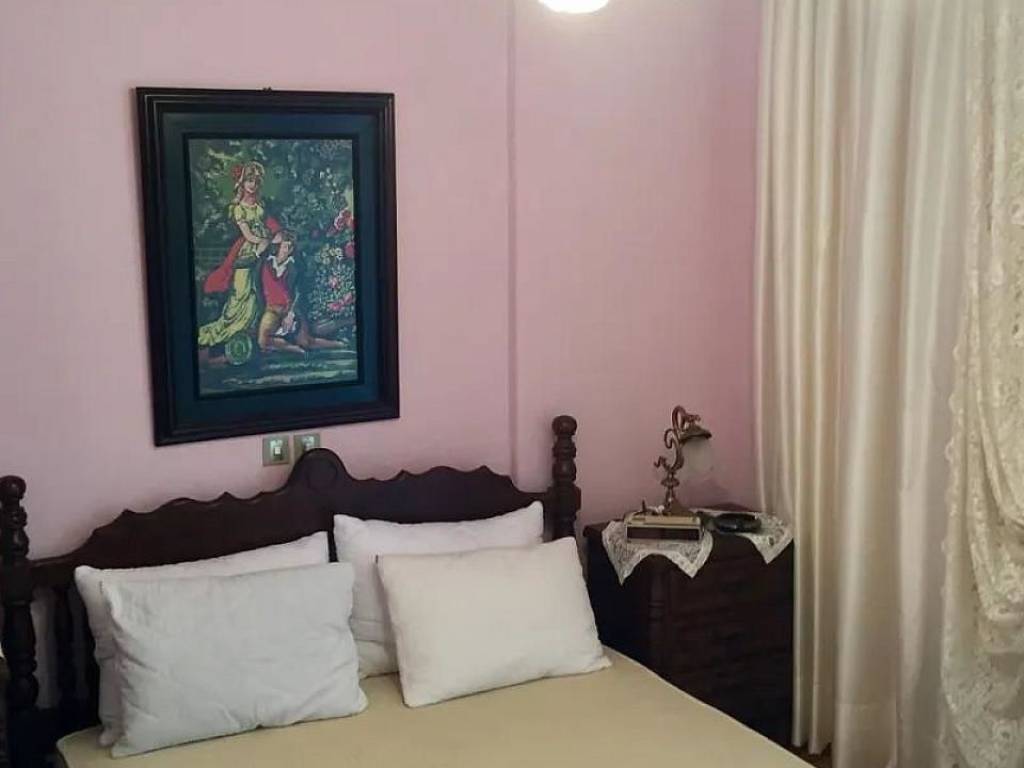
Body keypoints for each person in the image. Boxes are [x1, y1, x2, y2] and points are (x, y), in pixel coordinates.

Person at [197, 161, 279, 356]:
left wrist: (269, 238)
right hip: (248, 249)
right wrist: (263, 241)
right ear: (242, 182)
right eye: (249, 180)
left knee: (257, 292)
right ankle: (229, 332)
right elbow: (248, 235)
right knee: (241, 293)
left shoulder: (259, 205)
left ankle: (249, 335)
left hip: (263, 249)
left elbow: (265, 225)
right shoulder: (238, 208)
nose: (252, 185)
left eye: (256, 182)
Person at [257, 232, 346, 354]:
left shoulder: (295, 267)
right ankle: (295, 350)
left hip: (290, 309)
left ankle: (339, 344)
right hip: (271, 309)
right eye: (284, 246)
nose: (286, 250)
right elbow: (257, 285)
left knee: (306, 342)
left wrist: (291, 314)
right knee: (263, 341)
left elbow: (299, 292)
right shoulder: (265, 263)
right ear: (278, 247)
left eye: (290, 247)